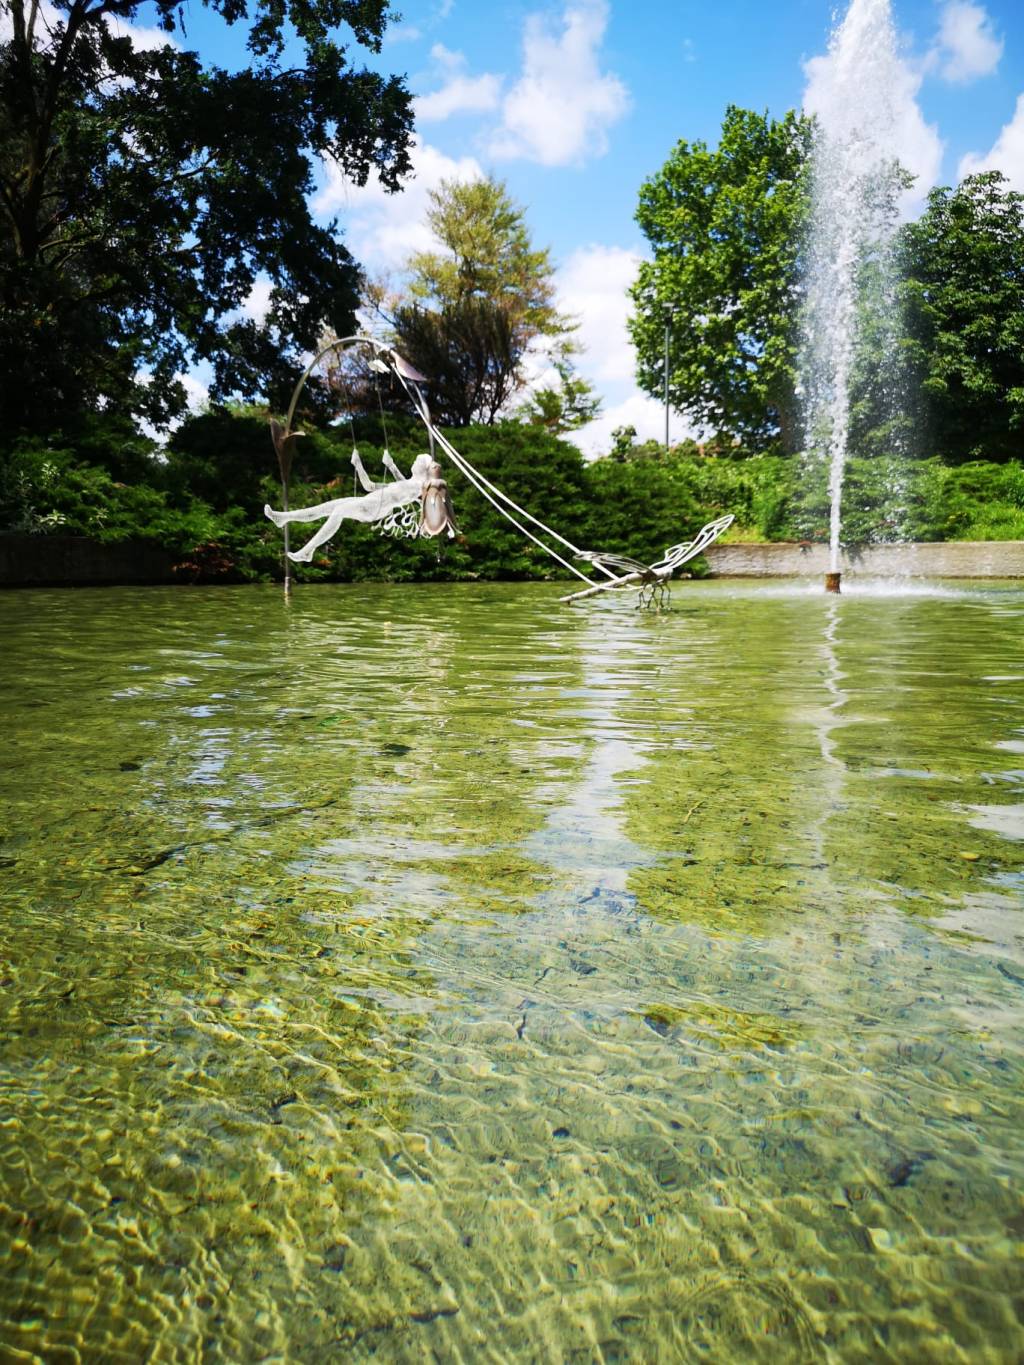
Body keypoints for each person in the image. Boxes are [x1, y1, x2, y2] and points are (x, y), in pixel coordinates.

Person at [264, 452, 433, 563]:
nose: (414, 461)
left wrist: (391, 465)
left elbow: (405, 485)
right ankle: (284, 518)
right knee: (326, 507)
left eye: (418, 460)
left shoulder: (419, 485)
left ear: (424, 468)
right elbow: (369, 485)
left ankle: (307, 551)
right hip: (368, 501)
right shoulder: (409, 483)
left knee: (338, 511)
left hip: (374, 508)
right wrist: (358, 464)